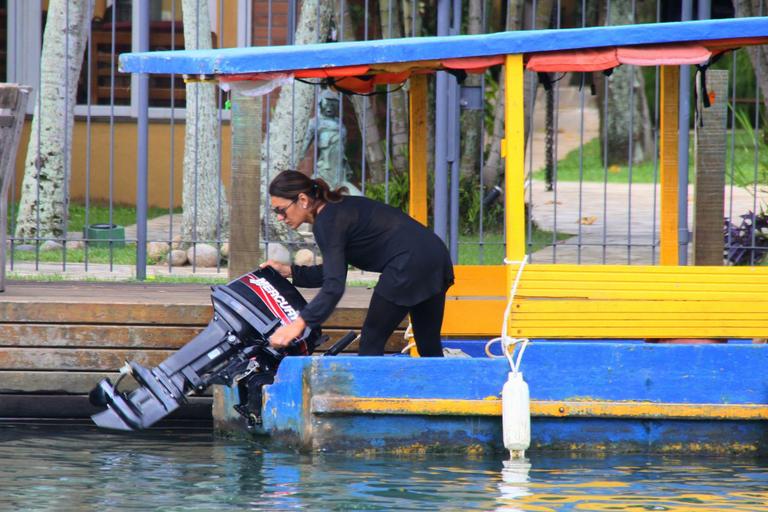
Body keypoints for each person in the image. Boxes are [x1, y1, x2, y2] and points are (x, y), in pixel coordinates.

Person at [262, 170, 454, 357]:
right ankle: (448, 390)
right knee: (429, 347)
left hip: (407, 265)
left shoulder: (328, 222)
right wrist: (288, 271)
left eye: (281, 210)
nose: (279, 217)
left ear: (303, 200)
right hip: (436, 257)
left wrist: (298, 324)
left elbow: (334, 287)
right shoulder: (337, 209)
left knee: (371, 341)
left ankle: (370, 391)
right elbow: (333, 274)